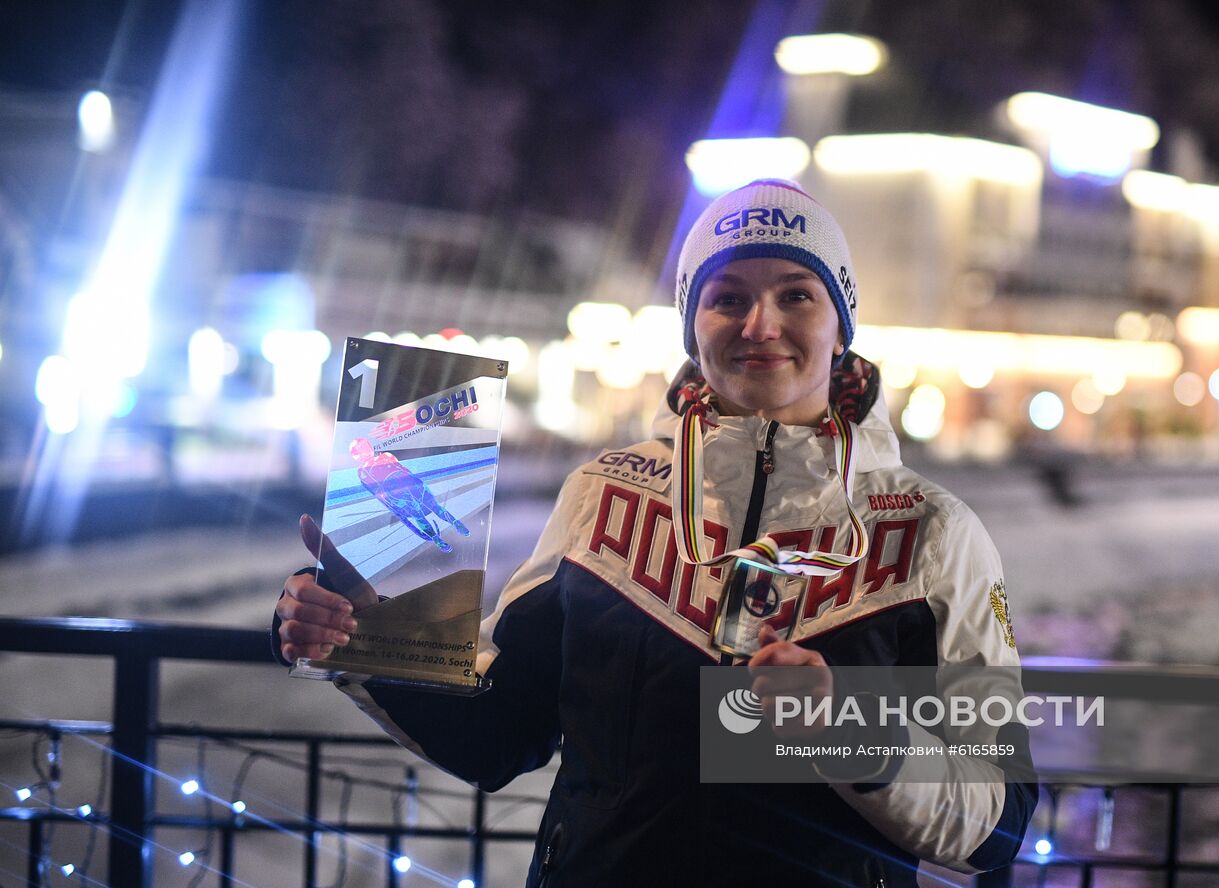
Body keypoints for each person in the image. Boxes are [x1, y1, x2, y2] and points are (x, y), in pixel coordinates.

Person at [275, 179, 1036, 886]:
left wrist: (847, 733)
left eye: (797, 295)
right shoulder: (601, 494)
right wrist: (361, 639)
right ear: (690, 325)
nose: (759, 325)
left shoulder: (930, 535)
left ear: (841, 324)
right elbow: (500, 735)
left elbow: (995, 826)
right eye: (727, 297)